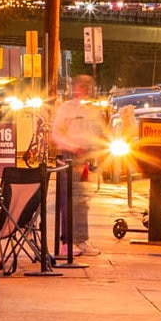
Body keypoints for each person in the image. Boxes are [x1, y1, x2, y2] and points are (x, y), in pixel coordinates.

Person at [48, 74, 110, 257]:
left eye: (87, 86)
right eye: (80, 86)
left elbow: (100, 132)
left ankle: (81, 239)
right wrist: (73, 147)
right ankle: (67, 242)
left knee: (83, 202)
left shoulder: (93, 110)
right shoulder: (66, 109)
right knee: (69, 202)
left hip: (87, 160)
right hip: (70, 159)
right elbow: (56, 134)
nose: (83, 89)